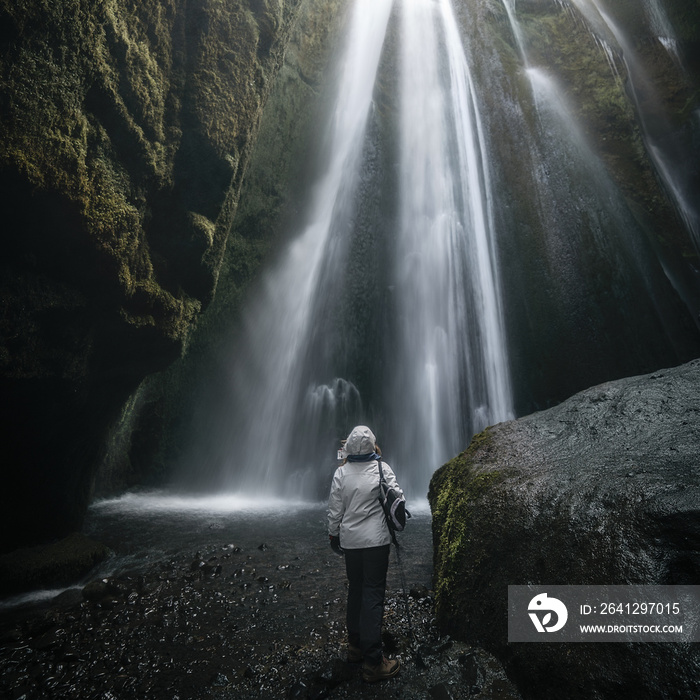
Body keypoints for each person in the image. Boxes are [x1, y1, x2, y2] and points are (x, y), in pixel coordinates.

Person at [327, 425, 403, 682]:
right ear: (372, 445)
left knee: (356, 590)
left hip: (351, 544)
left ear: (348, 447)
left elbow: (335, 510)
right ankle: (373, 662)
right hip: (376, 544)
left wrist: (333, 535)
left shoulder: (341, 473)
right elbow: (398, 498)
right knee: (373, 593)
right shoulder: (382, 469)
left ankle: (355, 647)